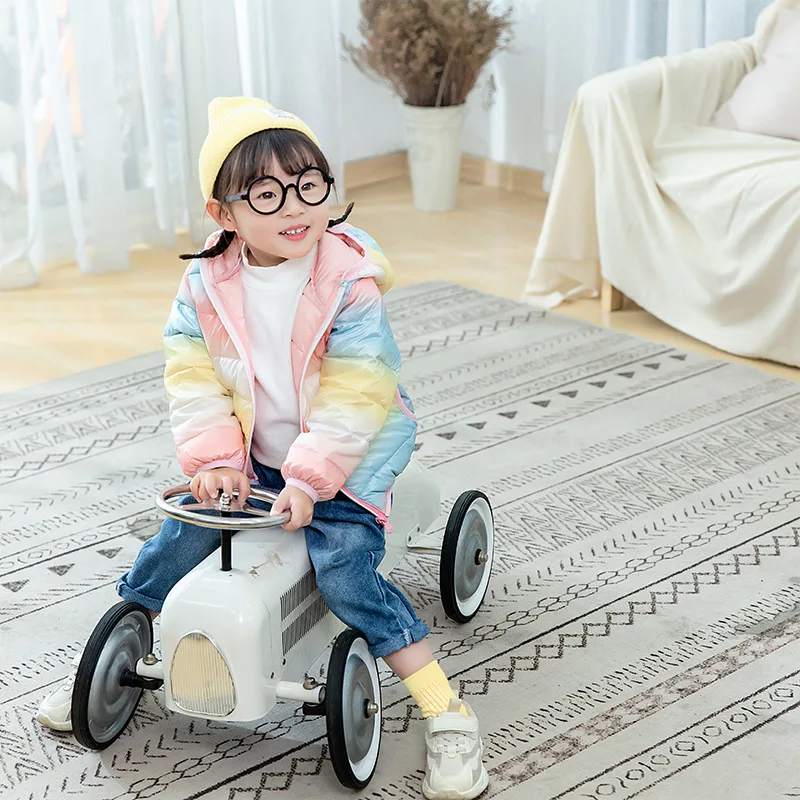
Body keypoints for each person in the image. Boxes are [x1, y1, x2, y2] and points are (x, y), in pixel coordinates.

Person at [35, 97, 488, 800]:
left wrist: (310, 478)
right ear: (224, 213)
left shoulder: (349, 282)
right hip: (255, 455)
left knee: (344, 571)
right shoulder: (205, 284)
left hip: (347, 454)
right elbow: (192, 376)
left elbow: (357, 392)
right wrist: (217, 461)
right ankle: (115, 652)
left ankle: (447, 713)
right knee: (178, 539)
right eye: (268, 194)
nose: (295, 206)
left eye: (310, 185)